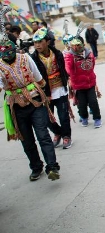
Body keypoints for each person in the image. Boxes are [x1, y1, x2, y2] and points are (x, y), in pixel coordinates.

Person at [0, 16, 60, 181]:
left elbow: (39, 78)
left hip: (35, 102)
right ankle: (36, 166)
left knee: (43, 135)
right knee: (26, 140)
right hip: (17, 107)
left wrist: (37, 90)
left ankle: (52, 166)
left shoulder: (25, 58)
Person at [31, 28, 74, 149]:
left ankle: (66, 136)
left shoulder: (58, 54)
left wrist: (69, 82)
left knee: (63, 115)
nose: (37, 45)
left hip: (60, 89)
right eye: (35, 42)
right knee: (46, 119)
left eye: (40, 41)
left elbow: (64, 71)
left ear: (48, 42)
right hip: (45, 93)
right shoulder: (32, 58)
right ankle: (58, 132)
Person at [65, 36, 102, 128]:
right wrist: (69, 74)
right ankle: (84, 117)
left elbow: (92, 65)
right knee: (82, 103)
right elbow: (67, 67)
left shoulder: (89, 53)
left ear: (83, 45)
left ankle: (97, 119)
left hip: (90, 83)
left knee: (93, 101)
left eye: (78, 45)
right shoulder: (70, 56)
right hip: (78, 85)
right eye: (73, 46)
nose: (76, 48)